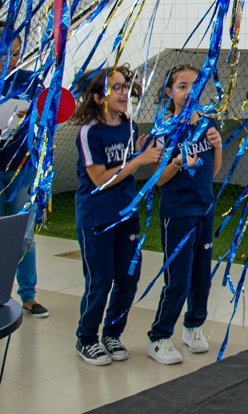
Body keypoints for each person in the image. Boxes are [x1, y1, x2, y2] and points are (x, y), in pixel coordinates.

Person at [72, 65, 162, 366]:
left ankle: (113, 333)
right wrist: (137, 160)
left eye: (126, 87)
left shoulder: (129, 125)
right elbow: (99, 179)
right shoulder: (89, 133)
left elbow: (124, 165)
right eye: (117, 88)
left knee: (128, 277)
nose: (124, 93)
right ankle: (86, 338)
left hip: (127, 213)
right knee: (101, 279)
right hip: (96, 217)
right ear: (99, 97)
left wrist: (138, 150)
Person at [0, 22, 47, 318]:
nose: (10, 61)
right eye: (3, 54)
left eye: (15, 55)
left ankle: (28, 296)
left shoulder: (29, 81)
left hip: (21, 170)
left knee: (24, 236)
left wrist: (33, 115)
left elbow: (46, 112)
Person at [147, 64, 222, 365]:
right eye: (182, 86)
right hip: (178, 213)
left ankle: (194, 326)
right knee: (178, 277)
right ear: (170, 92)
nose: (189, 91)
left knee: (202, 275)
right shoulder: (165, 130)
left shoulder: (208, 123)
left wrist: (216, 148)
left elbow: (213, 172)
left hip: (204, 209)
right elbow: (157, 179)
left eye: (194, 85)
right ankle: (159, 336)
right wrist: (177, 161)